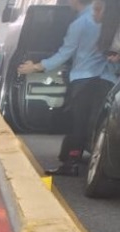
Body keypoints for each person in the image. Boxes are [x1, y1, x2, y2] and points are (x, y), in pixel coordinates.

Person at [18, 0, 117, 175]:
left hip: (84, 80)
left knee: (78, 124)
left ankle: (71, 163)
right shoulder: (111, 20)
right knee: (97, 123)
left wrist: (36, 67)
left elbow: (65, 53)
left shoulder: (82, 23)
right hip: (108, 81)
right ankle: (91, 159)